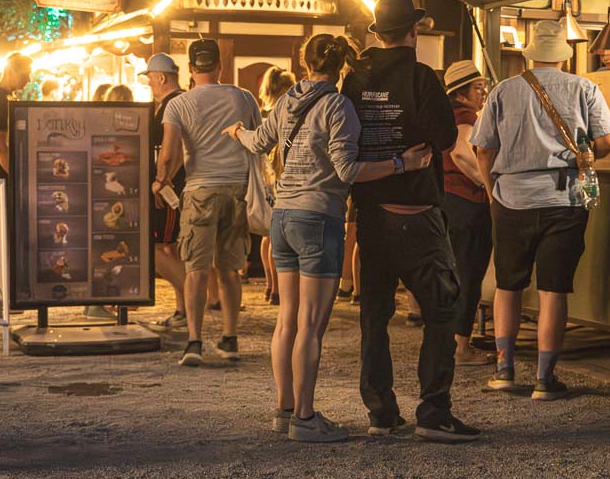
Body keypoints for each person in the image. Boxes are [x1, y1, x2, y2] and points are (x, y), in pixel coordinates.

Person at [225, 34, 428, 443]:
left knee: (286, 321)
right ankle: (305, 418)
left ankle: (285, 412)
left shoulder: (286, 100)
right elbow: (347, 171)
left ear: (304, 61)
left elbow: (259, 142)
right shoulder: (339, 106)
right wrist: (401, 163)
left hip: (282, 217)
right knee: (311, 327)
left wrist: (236, 133)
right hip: (318, 219)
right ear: (340, 66)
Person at [341, 0, 478, 442]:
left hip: (370, 213)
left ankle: (380, 411)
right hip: (417, 213)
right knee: (442, 310)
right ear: (413, 32)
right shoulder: (422, 77)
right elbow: (443, 139)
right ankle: (433, 411)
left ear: (378, 33)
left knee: (374, 314)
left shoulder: (355, 79)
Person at [472, 19, 610, 401]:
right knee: (554, 290)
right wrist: (582, 153)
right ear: (563, 57)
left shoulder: (503, 91)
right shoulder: (584, 88)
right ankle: (544, 379)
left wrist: (492, 192)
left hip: (512, 197)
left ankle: (504, 371)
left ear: (531, 52)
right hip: (564, 198)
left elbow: (484, 149)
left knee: (508, 285)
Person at [154, 38, 259, 367]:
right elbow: (259, 139)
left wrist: (161, 182)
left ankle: (195, 342)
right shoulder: (244, 98)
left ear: (189, 69)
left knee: (196, 270)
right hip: (238, 189)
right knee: (229, 269)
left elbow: (169, 154)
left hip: (199, 190)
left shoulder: (179, 105)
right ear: (219, 66)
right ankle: (230, 339)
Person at [442, 61, 495, 366]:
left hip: (449, 201)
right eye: (477, 87)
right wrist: (486, 183)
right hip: (468, 203)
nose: (482, 91)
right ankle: (462, 348)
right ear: (460, 94)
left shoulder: (447, 116)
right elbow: (461, 152)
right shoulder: (466, 116)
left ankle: (451, 341)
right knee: (469, 276)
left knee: (455, 275)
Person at [140, 54, 188, 332]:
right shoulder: (172, 103)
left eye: (150, 79)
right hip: (172, 185)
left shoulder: (173, 104)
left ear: (161, 77)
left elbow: (175, 149)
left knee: (155, 247)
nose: (149, 85)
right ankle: (183, 309)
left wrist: (162, 180)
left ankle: (191, 297)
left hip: (170, 188)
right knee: (172, 249)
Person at [256, 66, 296, 304]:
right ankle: (278, 290)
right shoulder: (283, 113)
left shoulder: (263, 112)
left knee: (268, 236)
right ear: (283, 89)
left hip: (266, 177)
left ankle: (270, 286)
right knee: (278, 236)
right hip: (279, 175)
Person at [0, 54, 31, 182]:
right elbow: (0, 146)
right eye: (25, 75)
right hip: (3, 179)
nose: (28, 80)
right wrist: (18, 178)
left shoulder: (5, 98)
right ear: (11, 71)